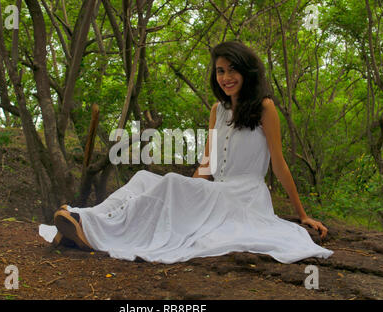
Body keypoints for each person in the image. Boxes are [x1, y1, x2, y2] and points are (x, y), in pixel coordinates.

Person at [53, 41, 333, 264]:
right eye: (220, 71)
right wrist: (191, 190)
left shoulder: (265, 107)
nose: (226, 77)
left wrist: (302, 214)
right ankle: (84, 219)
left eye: (232, 70)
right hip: (218, 192)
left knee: (172, 184)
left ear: (247, 71)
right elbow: (207, 164)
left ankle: (91, 229)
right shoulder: (217, 110)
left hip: (245, 197)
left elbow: (280, 165)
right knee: (143, 178)